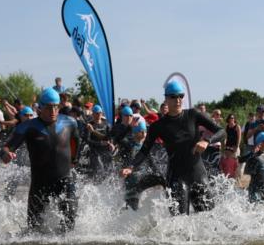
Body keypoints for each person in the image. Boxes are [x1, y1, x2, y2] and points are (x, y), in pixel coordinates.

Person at [123, 79, 224, 215]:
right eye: (173, 96)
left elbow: (221, 131)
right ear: (166, 99)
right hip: (177, 178)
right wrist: (131, 167)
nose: (178, 100)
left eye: (180, 96)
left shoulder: (193, 115)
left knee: (211, 219)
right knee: (179, 223)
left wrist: (207, 140)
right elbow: (144, 150)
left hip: (198, 174)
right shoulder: (158, 126)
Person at [0, 88, 81, 232]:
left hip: (64, 180)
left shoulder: (70, 123)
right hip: (40, 184)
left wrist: (74, 160)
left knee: (70, 220)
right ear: (39, 108)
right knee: (34, 231)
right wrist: (7, 155)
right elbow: (6, 148)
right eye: (49, 107)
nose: (53, 111)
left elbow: (75, 142)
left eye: (56, 107)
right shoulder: (28, 127)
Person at [84, 104, 114, 178]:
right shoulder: (90, 125)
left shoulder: (106, 124)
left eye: (100, 113)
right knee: (99, 170)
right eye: (96, 113)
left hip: (105, 151)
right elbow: (87, 140)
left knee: (110, 171)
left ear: (102, 113)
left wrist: (111, 143)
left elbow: (109, 137)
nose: (98, 115)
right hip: (94, 151)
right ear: (93, 114)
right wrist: (100, 143)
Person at [220, 114, 243, 179]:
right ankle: (228, 178)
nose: (231, 119)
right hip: (228, 146)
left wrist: (237, 146)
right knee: (227, 163)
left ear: (234, 119)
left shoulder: (237, 126)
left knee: (235, 162)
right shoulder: (227, 126)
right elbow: (225, 137)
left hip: (235, 146)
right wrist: (224, 146)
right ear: (228, 119)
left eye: (233, 118)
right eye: (230, 118)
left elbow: (239, 137)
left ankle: (236, 178)